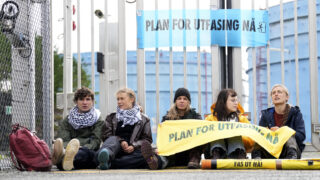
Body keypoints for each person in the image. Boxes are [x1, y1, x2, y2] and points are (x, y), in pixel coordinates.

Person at [97, 88, 162, 170]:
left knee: (147, 156)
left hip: (133, 151)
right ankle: (107, 157)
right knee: (112, 140)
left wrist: (133, 146)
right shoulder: (111, 117)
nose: (119, 102)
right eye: (118, 99)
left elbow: (147, 139)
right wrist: (121, 141)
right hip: (115, 149)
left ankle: (109, 163)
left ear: (132, 99)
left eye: (122, 99)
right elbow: (106, 136)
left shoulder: (144, 119)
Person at [51, 87, 104, 170]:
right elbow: (63, 140)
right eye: (81, 99)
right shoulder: (68, 120)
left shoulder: (98, 119)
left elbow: (95, 142)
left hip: (88, 151)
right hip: (68, 149)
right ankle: (64, 159)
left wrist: (80, 147)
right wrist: (70, 147)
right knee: (63, 161)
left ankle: (65, 159)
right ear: (76, 101)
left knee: (82, 154)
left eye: (88, 99)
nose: (85, 102)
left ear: (92, 102)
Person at [251, 84, 305, 159]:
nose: (276, 94)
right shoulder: (265, 115)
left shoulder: (296, 113)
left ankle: (291, 157)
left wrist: (281, 132)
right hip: (271, 152)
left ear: (287, 97)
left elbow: (301, 136)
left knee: (287, 131)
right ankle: (256, 158)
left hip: (290, 152)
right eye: (273, 93)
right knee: (260, 133)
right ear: (272, 98)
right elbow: (259, 136)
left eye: (279, 92)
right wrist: (268, 132)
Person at [205, 89, 254, 159]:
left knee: (234, 134)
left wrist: (236, 135)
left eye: (237, 100)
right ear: (223, 102)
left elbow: (251, 141)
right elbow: (203, 138)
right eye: (233, 100)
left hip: (237, 156)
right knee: (216, 132)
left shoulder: (242, 119)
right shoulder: (210, 119)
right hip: (215, 156)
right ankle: (217, 152)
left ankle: (238, 151)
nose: (236, 103)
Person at [162, 87, 203, 169]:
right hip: (174, 152)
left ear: (188, 102)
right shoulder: (167, 118)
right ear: (175, 101)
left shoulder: (196, 116)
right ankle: (158, 160)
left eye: (185, 99)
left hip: (190, 153)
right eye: (179, 98)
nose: (182, 101)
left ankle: (194, 159)